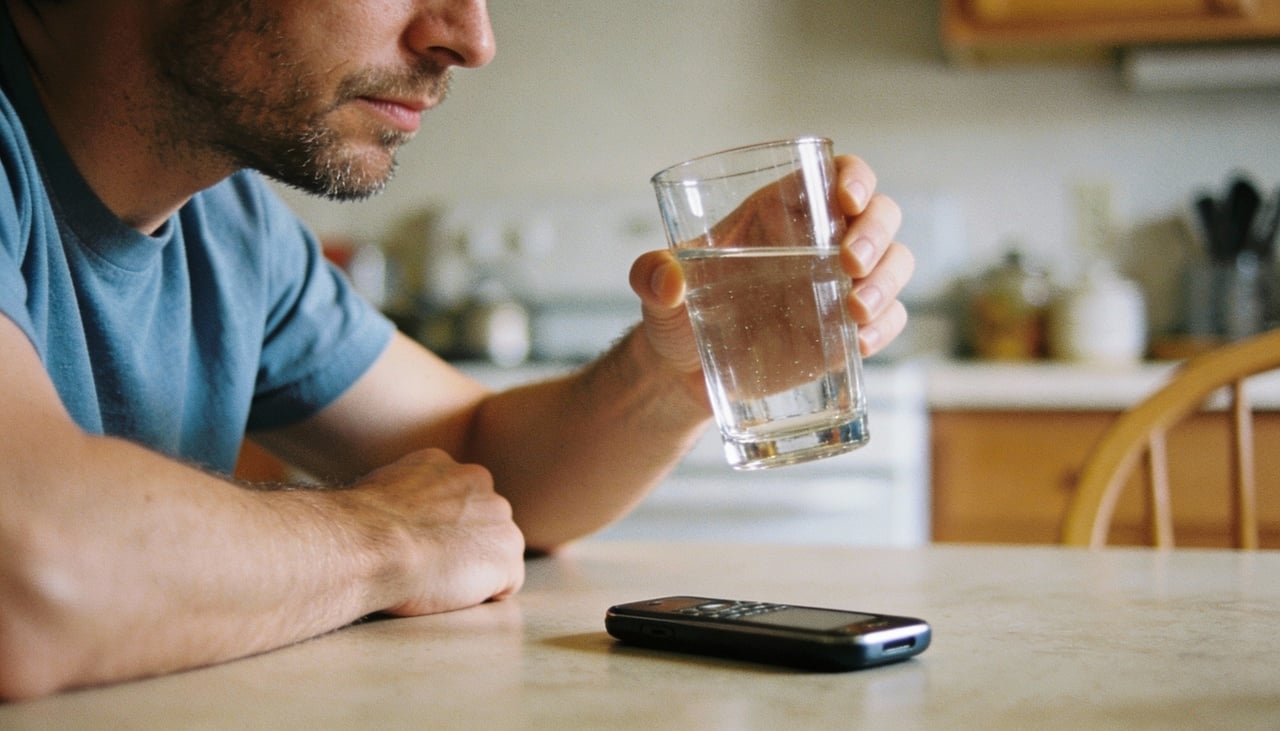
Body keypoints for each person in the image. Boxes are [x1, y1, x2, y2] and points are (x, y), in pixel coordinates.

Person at [0, 0, 915, 701]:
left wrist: (676, 367)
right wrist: (382, 534)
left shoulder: (231, 232)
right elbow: (28, 571)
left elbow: (476, 461)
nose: (470, 37)